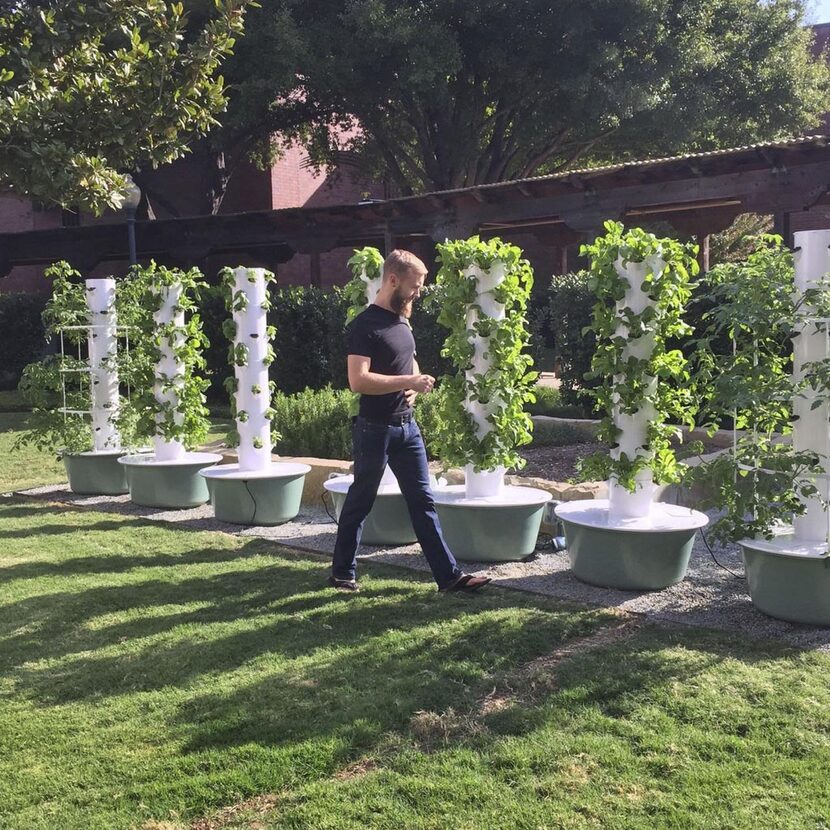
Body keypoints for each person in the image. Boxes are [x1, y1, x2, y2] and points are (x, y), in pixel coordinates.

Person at [329, 249, 491, 594]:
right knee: (361, 500)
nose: (418, 292)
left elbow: (408, 361)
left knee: (423, 502)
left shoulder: (402, 321)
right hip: (375, 429)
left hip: (407, 428)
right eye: (414, 285)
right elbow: (358, 381)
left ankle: (449, 578)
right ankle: (342, 573)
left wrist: (415, 383)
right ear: (393, 280)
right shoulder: (364, 325)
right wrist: (407, 382)